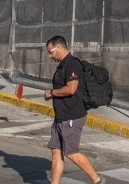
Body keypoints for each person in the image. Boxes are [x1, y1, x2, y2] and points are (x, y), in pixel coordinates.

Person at [42, 35, 103, 184]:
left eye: (51, 52)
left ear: (59, 48)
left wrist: (52, 93)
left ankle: (97, 180)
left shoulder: (72, 64)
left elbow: (71, 89)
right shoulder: (62, 65)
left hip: (72, 116)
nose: (50, 56)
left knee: (72, 153)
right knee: (56, 152)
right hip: (61, 116)